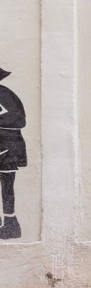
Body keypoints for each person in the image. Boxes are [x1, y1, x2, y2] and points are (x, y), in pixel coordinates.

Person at [0, 68, 27, 240]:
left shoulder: (5, 95)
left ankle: (10, 224)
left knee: (7, 186)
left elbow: (18, 120)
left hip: (7, 147)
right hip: (7, 145)